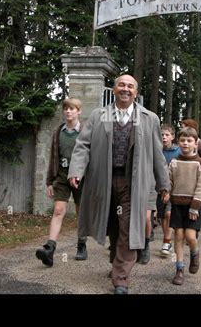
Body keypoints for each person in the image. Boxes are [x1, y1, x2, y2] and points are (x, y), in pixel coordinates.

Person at [68, 74, 170, 295]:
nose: (126, 89)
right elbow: (83, 145)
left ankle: (121, 278)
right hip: (103, 179)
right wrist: (76, 170)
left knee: (128, 226)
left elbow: (157, 154)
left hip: (133, 181)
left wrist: (164, 184)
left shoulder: (149, 118)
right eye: (122, 85)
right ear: (114, 89)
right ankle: (116, 262)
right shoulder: (98, 115)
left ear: (136, 92)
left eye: (130, 86)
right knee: (112, 223)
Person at [36, 98, 87, 266]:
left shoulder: (85, 131)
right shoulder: (58, 131)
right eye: (66, 108)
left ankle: (81, 244)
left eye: (72, 108)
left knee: (81, 212)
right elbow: (53, 157)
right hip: (62, 175)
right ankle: (49, 249)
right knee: (58, 210)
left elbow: (90, 155)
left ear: (79, 111)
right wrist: (50, 181)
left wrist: (82, 174)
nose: (68, 111)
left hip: (81, 177)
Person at [168, 127, 201, 285]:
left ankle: (194, 253)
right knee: (178, 236)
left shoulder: (200, 163)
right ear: (178, 142)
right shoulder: (174, 161)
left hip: (193, 206)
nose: (185, 143)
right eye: (183, 140)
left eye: (189, 140)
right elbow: (169, 179)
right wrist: (165, 191)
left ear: (196, 143)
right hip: (177, 204)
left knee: (190, 237)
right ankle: (179, 269)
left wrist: (195, 206)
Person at [158, 124, 180, 256]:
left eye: (167, 135)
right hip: (158, 187)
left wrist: (170, 190)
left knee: (168, 214)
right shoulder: (157, 150)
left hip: (174, 187)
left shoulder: (178, 152)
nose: (164, 137)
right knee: (162, 216)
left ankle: (166, 241)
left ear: (172, 136)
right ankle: (167, 240)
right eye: (162, 135)